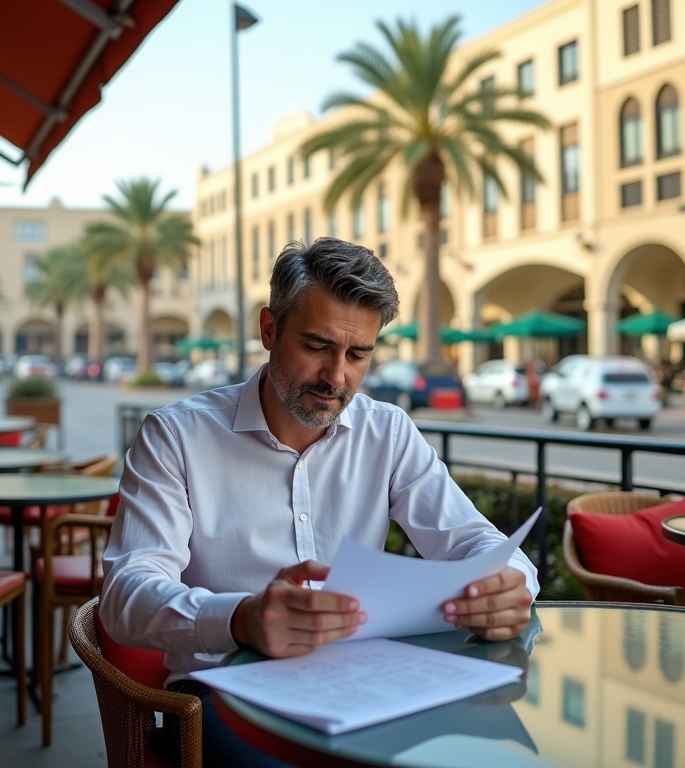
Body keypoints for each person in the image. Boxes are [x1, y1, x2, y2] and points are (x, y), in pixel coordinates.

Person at [101, 238, 539, 766]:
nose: (337, 377)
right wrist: (241, 618)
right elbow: (125, 595)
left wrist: (512, 581)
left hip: (367, 681)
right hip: (226, 693)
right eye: (316, 346)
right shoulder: (175, 437)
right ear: (270, 329)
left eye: (358, 355)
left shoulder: (388, 432)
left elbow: (474, 538)